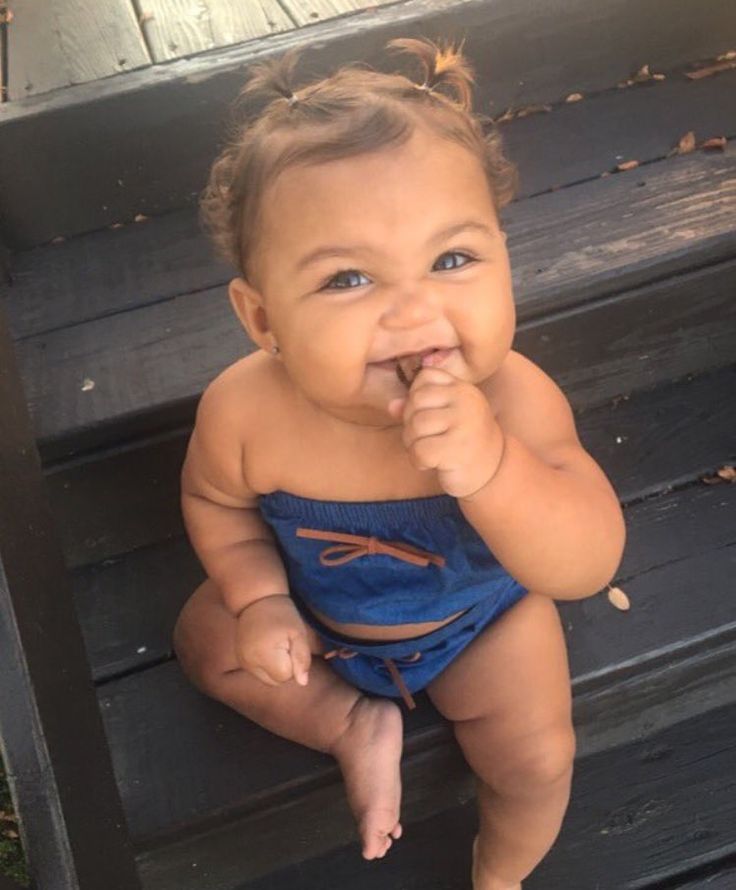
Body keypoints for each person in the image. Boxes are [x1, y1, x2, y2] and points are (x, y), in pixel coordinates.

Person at [172, 37, 626, 889]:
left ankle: (503, 871)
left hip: (481, 623)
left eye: (452, 260)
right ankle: (350, 724)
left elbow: (588, 561)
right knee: (204, 642)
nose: (415, 310)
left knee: (536, 758)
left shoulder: (517, 402)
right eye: (349, 278)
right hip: (314, 617)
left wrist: (493, 469)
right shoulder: (245, 411)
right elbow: (217, 504)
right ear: (263, 319)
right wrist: (260, 596)